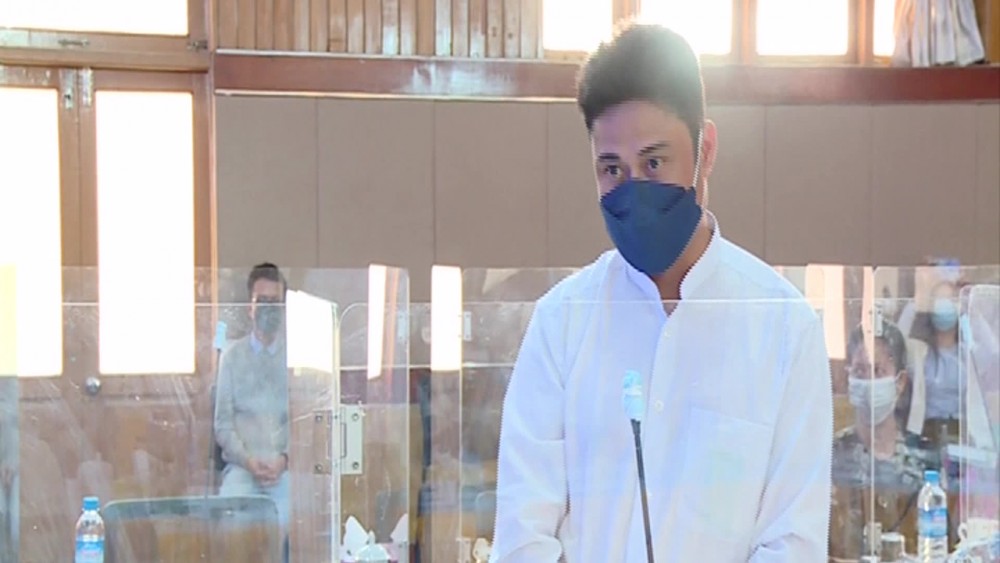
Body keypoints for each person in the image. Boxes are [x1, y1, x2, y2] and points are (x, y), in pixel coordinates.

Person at [490, 24, 833, 562]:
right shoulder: (562, 322)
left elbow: (792, 542)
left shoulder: (783, 327)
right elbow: (523, 534)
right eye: (612, 169)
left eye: (654, 162)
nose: (633, 189)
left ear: (705, 151)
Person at [829, 321, 932, 561]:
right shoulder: (830, 457)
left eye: (878, 371)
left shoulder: (921, 463)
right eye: (860, 371)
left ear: (900, 382)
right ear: (848, 378)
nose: (869, 382)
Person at [214, 263, 290, 535]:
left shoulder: (295, 359)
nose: (269, 309)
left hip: (284, 470)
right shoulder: (231, 358)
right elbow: (223, 425)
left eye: (275, 302)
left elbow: (304, 421)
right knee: (232, 524)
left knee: (293, 521)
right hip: (242, 469)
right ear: (250, 307)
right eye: (262, 301)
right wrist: (248, 461)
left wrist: (284, 459)